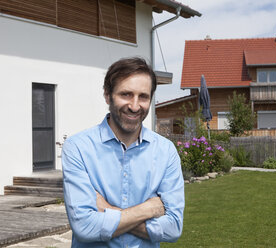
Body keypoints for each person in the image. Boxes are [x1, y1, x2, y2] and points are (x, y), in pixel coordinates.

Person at [62, 57, 185, 247]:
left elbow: (173, 228)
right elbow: (84, 227)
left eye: (143, 97)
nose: (135, 106)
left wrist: (107, 210)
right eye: (126, 94)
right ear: (107, 95)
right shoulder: (78, 148)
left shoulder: (165, 151)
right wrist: (149, 209)